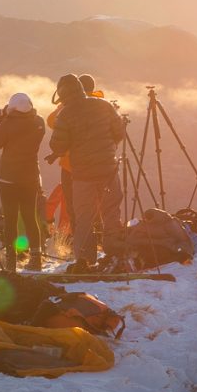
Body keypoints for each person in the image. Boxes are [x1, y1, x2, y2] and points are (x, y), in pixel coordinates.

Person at [47, 74, 125, 272]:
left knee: (84, 217)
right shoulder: (104, 105)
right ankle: (114, 251)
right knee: (111, 211)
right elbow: (119, 133)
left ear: (63, 94)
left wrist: (58, 152)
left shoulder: (65, 114)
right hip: (108, 169)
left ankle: (85, 259)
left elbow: (57, 144)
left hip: (82, 174)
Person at [0, 92, 46, 272]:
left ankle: (11, 261)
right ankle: (36, 259)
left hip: (8, 178)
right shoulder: (39, 122)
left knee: (11, 219)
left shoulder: (8, 124)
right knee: (30, 217)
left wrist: (2, 118)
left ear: (13, 109)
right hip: (30, 176)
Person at [46, 74, 104, 236]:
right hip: (99, 164)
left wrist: (62, 106)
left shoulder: (71, 108)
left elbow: (51, 121)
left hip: (72, 165)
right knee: (97, 202)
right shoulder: (101, 104)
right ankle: (99, 235)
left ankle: (77, 239)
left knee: (73, 205)